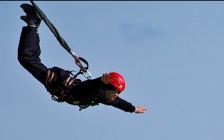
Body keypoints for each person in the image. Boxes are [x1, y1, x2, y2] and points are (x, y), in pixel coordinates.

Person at [17, 3, 147, 114]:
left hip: (57, 85)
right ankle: (33, 23)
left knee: (29, 58)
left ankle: (33, 25)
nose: (118, 95)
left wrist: (133, 109)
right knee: (27, 58)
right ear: (108, 88)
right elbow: (89, 85)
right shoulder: (95, 91)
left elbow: (119, 103)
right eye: (117, 91)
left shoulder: (105, 97)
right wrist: (101, 81)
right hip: (55, 81)